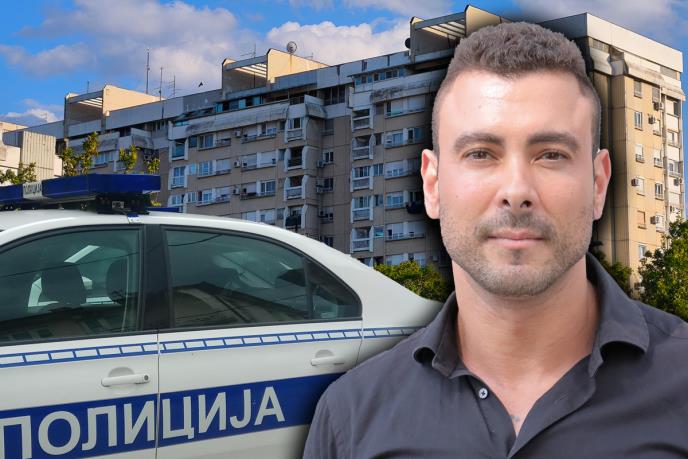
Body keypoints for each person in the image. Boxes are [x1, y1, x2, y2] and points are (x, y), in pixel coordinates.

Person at [303, 21, 688, 458]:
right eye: (481, 154)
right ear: (432, 185)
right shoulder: (351, 416)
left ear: (598, 184)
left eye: (551, 155)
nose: (516, 190)